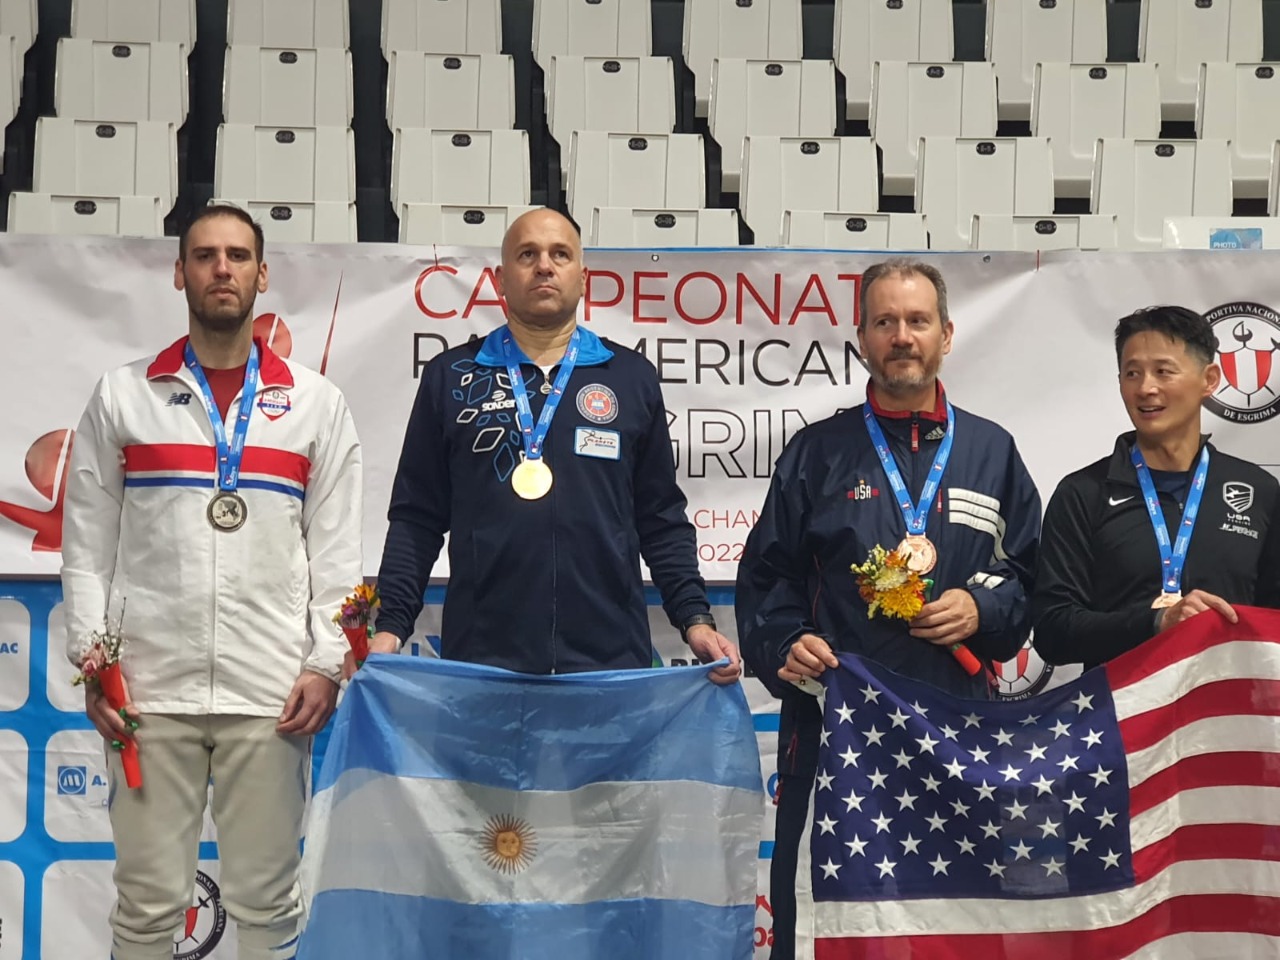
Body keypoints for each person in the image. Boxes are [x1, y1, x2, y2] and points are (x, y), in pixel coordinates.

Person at [60, 204, 363, 960]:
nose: (220, 269)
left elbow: (338, 556)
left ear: (263, 275)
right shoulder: (123, 395)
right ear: (179, 273)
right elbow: (86, 543)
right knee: (146, 908)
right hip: (149, 694)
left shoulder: (316, 406)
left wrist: (326, 664)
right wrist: (94, 659)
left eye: (236, 256)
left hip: (270, 695)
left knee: (268, 904)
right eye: (204, 256)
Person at [735, 258, 1041, 960]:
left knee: (958, 916)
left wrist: (981, 608)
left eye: (916, 321)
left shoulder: (993, 451)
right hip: (836, 727)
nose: (901, 336)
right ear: (862, 338)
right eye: (884, 322)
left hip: (962, 727)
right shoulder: (817, 453)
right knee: (826, 916)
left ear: (947, 335)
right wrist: (785, 642)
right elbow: (765, 581)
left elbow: (1031, 582)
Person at [365, 207, 740, 682]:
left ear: (582, 278)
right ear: (500, 279)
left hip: (609, 665)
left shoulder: (629, 379)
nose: (544, 265)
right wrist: (390, 627)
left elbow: (660, 519)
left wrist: (696, 620)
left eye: (559, 254)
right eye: (528, 254)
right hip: (484, 664)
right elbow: (416, 520)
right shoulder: (453, 378)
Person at [1033, 305, 1280, 668]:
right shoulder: (1083, 493)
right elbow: (1052, 632)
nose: (1146, 388)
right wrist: (1156, 622)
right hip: (1122, 717)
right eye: (1132, 373)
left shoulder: (1259, 491)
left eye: (1163, 371)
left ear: (1209, 379)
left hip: (1227, 715)